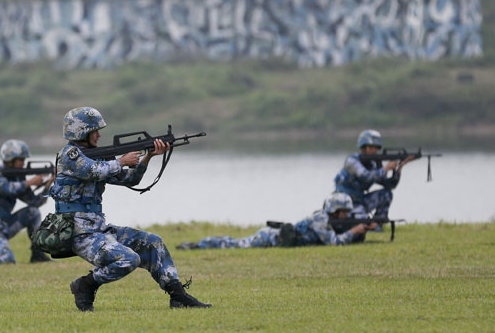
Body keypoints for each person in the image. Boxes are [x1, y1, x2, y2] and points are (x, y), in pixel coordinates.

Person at [49, 107, 211, 311]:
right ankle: (85, 285)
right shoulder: (69, 156)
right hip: (79, 234)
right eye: (95, 130)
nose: (99, 135)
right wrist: (121, 161)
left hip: (98, 230)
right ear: (81, 132)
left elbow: (129, 179)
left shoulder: (96, 157)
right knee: (128, 259)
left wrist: (148, 157)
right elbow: (94, 171)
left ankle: (178, 296)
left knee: (153, 243)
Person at [176, 192, 375, 250]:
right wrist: (355, 231)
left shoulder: (330, 221)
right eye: (343, 212)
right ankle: (198, 245)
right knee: (234, 244)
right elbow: (334, 243)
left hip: (277, 238)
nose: (346, 216)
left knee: (234, 242)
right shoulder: (321, 219)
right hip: (270, 238)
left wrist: (361, 231)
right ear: (334, 210)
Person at [334, 129, 415, 222]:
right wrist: (386, 168)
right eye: (371, 147)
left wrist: (399, 168)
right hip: (344, 204)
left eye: (376, 148)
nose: (374, 150)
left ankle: (378, 222)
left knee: (386, 194)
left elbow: (390, 185)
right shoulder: (351, 161)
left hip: (360, 201)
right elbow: (366, 177)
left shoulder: (372, 165)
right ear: (363, 147)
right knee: (360, 221)